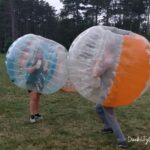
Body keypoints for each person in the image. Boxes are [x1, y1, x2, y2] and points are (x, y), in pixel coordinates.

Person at [93, 57, 128, 148]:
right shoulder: (115, 60)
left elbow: (95, 73)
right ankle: (108, 127)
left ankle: (122, 140)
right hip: (113, 91)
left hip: (108, 94)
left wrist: (97, 63)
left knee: (110, 116)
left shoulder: (106, 61)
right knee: (98, 108)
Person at [20, 48, 48, 123]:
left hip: (40, 82)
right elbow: (28, 70)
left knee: (37, 98)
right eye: (39, 53)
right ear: (35, 54)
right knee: (33, 97)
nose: (40, 55)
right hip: (31, 81)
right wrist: (35, 66)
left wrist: (46, 69)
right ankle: (32, 116)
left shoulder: (45, 61)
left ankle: (37, 114)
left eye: (41, 53)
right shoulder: (31, 61)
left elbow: (45, 73)